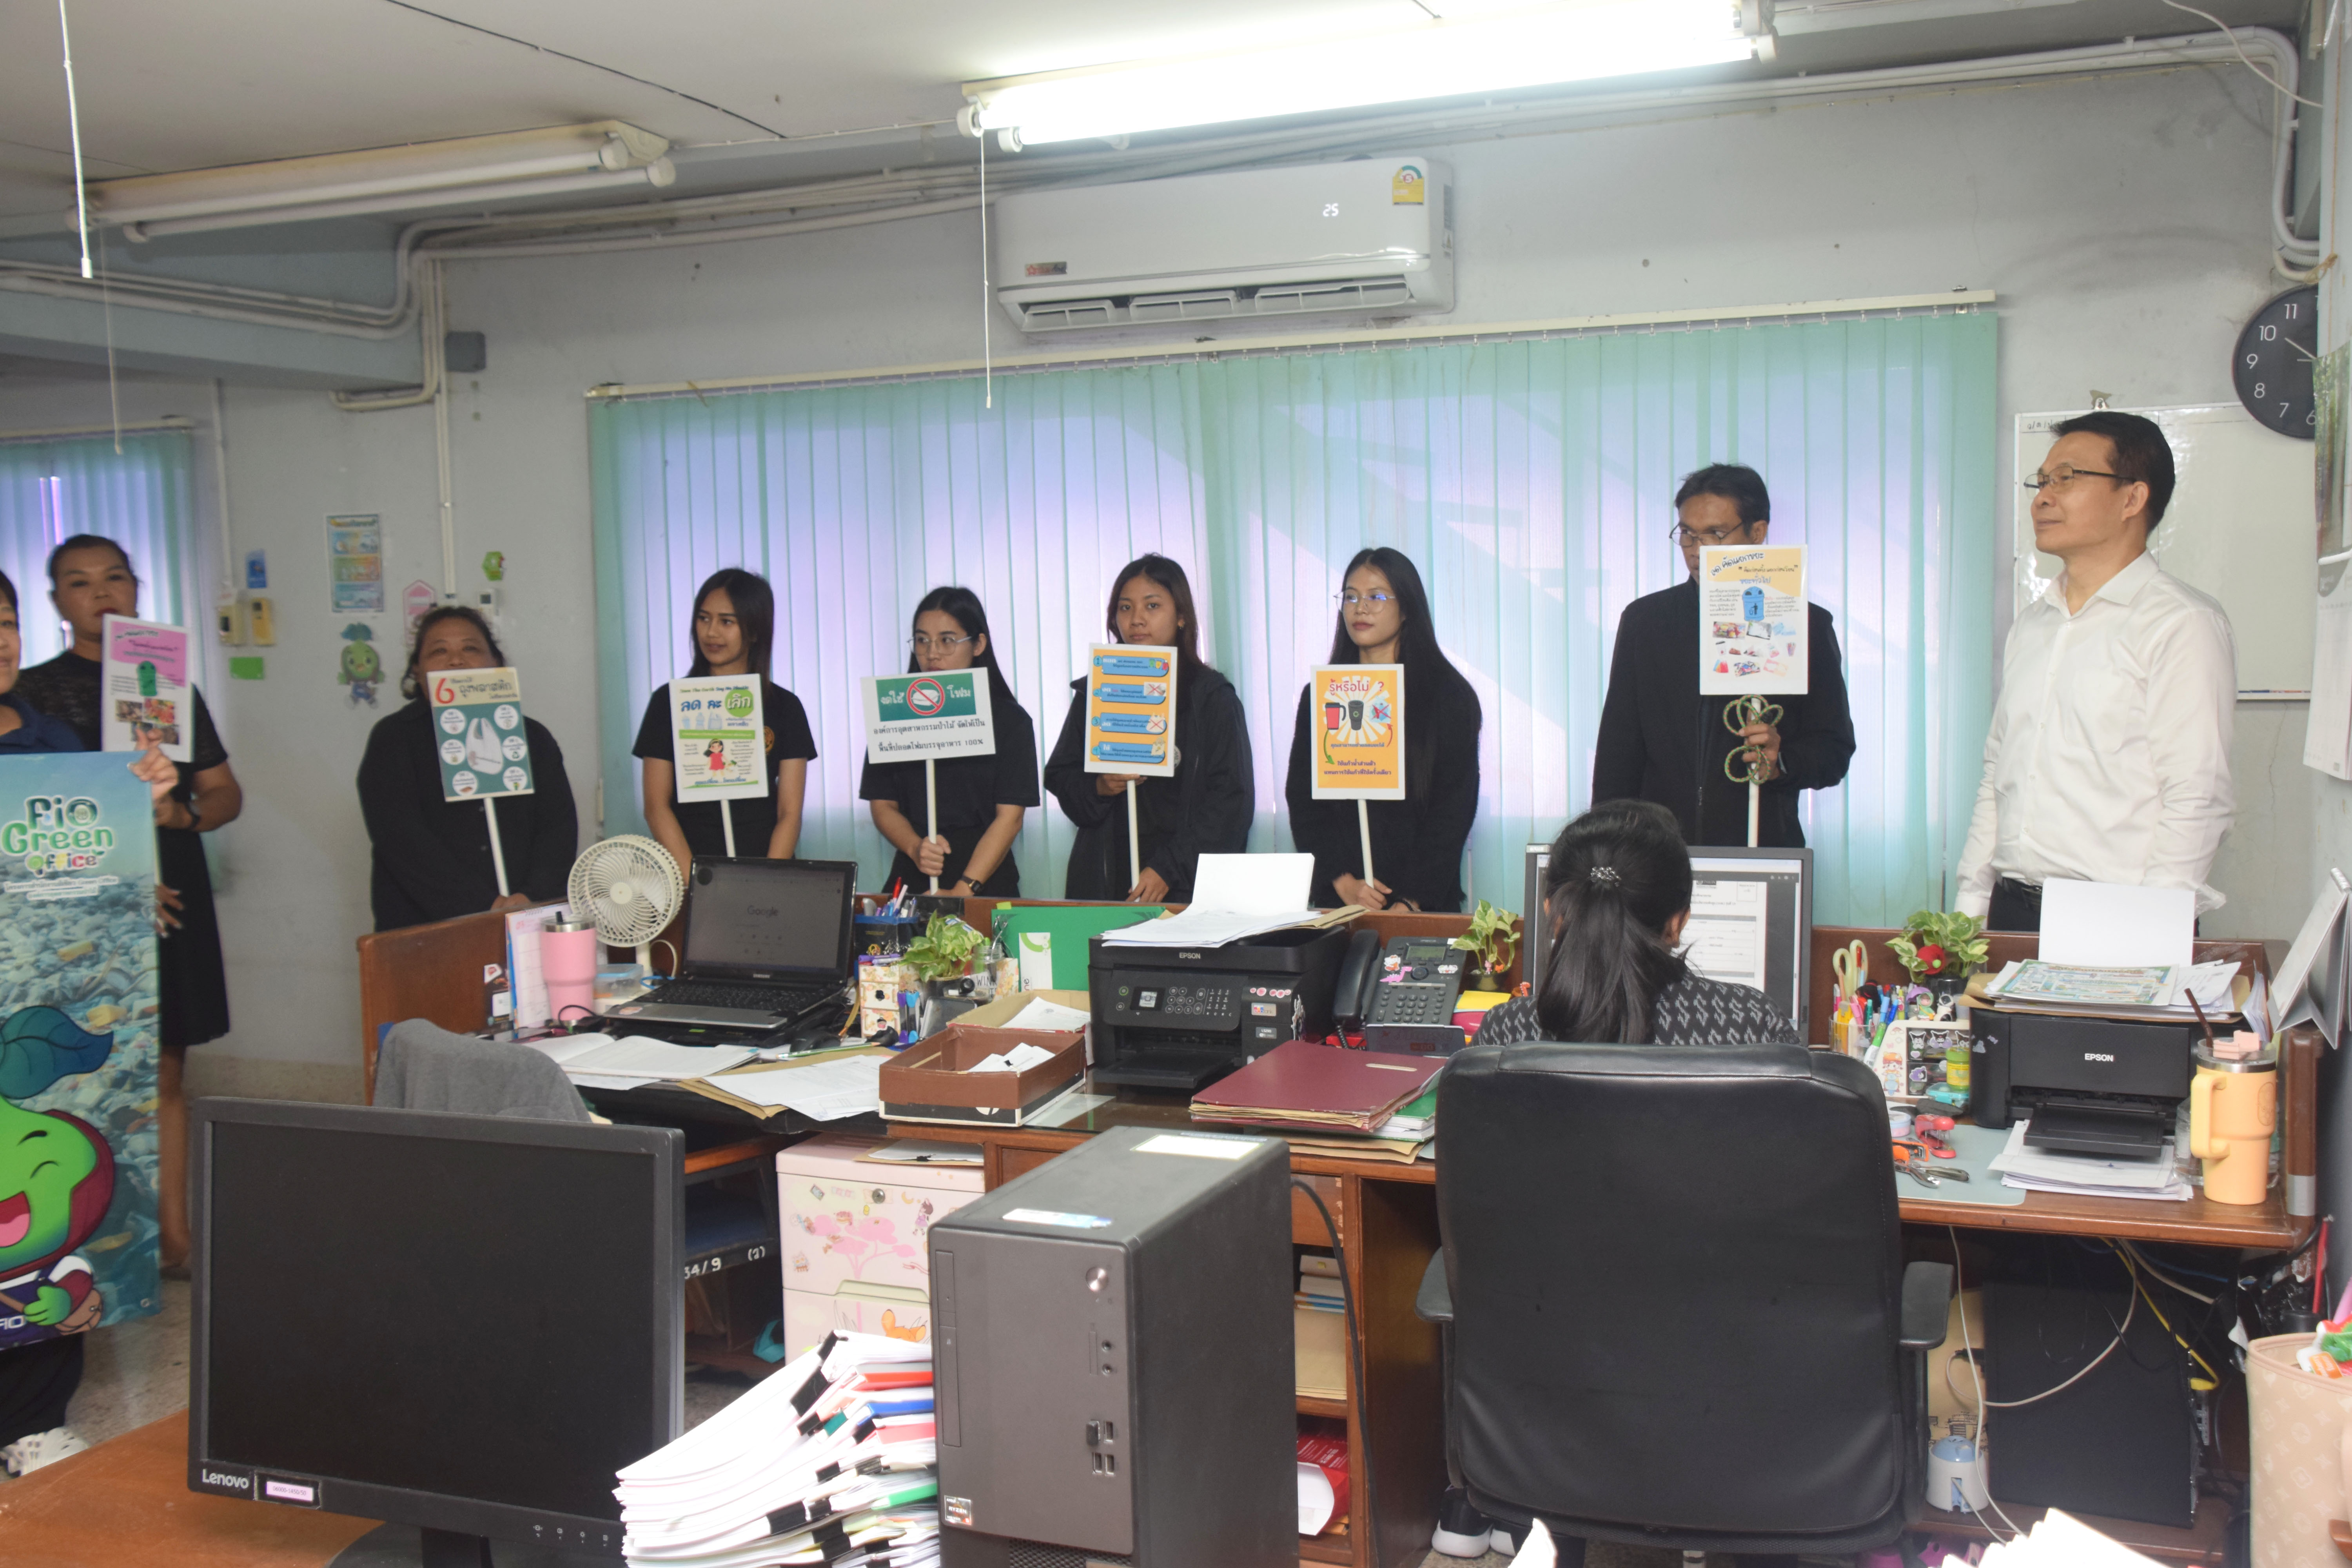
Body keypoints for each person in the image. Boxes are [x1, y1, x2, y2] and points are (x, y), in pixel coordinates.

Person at [1436, 799, 1795, 1564]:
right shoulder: (1754, 1031)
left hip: (1558, 1395)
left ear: (1553, 912)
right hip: (1728, 1390)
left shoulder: (1506, 1040)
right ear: (1679, 920)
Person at [16, 534, 244, 1278]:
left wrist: (182, 815)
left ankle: (174, 1238)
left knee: (166, 1066)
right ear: (57, 602)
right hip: (81, 897)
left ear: (138, 588)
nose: (101, 594)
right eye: (80, 583)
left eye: (115, 578)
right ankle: (85, 1237)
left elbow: (224, 794)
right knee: (83, 1073)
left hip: (171, 884)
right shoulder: (30, 697)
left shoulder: (171, 688)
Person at [0, 566, 178, 1477]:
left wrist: (141, 797)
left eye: (2, 621)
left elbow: (99, 865)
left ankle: (33, 1420)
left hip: (38, 1014)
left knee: (43, 1216)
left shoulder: (56, 744)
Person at [1957, 411, 2235, 931]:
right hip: (2011, 910)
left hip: (2118, 918)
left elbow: (2196, 796)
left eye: (2066, 478)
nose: (2042, 498)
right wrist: (1969, 910)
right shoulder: (2033, 624)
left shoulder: (2181, 623)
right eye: (2041, 481)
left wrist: (2153, 933)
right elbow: (1998, 773)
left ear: (2132, 498)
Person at [1591, 464, 1854, 847]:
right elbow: (1618, 752)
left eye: (1715, 534)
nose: (1697, 551)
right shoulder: (1646, 621)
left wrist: (1781, 762)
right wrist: (1605, 849)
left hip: (1762, 846)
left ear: (1757, 532)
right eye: (1687, 533)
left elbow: (1834, 749)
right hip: (1658, 852)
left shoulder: (1805, 623)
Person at [1044, 555, 1253, 902]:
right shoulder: (1099, 690)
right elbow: (1061, 777)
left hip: (1186, 887)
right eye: (1125, 608)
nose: (1136, 619)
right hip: (1107, 881)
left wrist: (1169, 868)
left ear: (1181, 616)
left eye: (1152, 606)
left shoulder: (1212, 697)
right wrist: (1100, 786)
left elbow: (1232, 802)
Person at [1283, 548, 1481, 911]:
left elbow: (1453, 813)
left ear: (1406, 608)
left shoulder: (1449, 697)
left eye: (1376, 597)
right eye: (1351, 597)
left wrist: (1411, 901)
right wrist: (1341, 881)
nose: (1360, 608)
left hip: (1423, 906)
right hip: (1342, 904)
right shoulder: (1323, 696)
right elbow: (1303, 800)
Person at [357, 607, 577, 931]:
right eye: (439, 651)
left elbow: (558, 828)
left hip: (528, 918)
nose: (456, 661)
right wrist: (482, 905)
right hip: (425, 930)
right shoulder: (393, 739)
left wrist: (531, 897)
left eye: (470, 648)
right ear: (417, 670)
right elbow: (401, 840)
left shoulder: (532, 737)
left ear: (496, 663)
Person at [630, 569, 816, 883]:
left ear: (755, 631)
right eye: (704, 619)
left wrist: (764, 879)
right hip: (690, 875)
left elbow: (790, 813)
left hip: (765, 874)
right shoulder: (668, 701)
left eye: (726, 622)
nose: (711, 632)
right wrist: (698, 884)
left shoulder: (785, 707)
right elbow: (656, 807)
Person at [859, 587, 1038, 896]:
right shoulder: (895, 713)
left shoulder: (1011, 720)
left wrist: (963, 891)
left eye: (947, 641)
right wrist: (915, 848)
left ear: (978, 644)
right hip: (914, 878)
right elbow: (883, 805)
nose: (932, 653)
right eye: (922, 640)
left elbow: (1010, 818)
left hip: (985, 881)